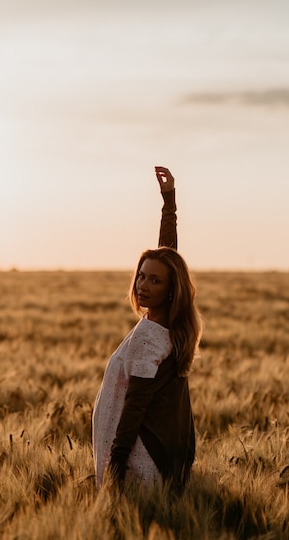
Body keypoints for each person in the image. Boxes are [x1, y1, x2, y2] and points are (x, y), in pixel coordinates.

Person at [92, 166, 202, 492]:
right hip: (162, 455)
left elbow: (133, 409)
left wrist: (116, 468)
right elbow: (168, 259)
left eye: (154, 281)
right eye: (141, 275)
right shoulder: (170, 319)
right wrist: (169, 203)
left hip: (138, 461)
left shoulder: (149, 340)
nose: (143, 285)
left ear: (169, 289)